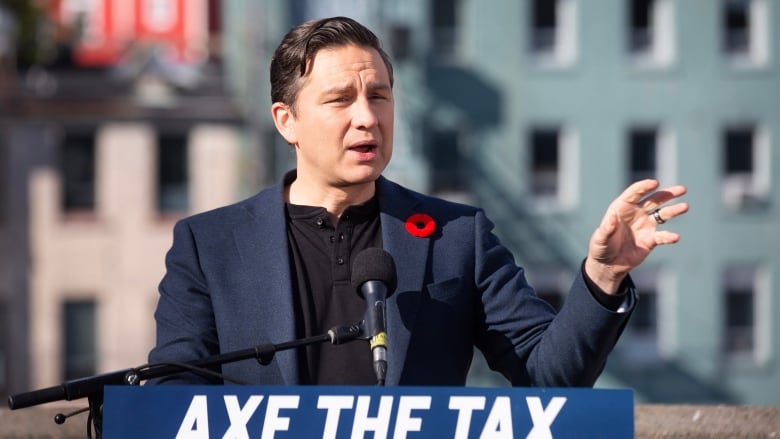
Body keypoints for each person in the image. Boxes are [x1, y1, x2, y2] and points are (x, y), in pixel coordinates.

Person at [147, 16, 688, 387]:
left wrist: (604, 275)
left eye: (378, 96)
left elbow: (548, 375)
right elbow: (171, 398)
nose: (367, 117)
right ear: (286, 120)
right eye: (340, 100)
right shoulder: (209, 245)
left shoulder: (459, 235)